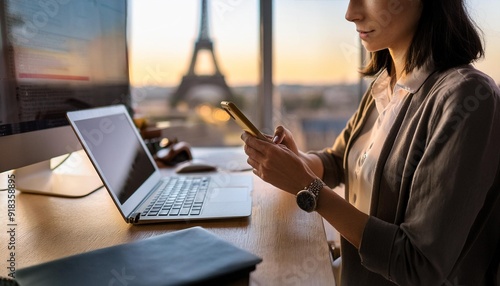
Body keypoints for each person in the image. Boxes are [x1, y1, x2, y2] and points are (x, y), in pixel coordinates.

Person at [242, 0, 500, 285]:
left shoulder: (468, 98)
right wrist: (297, 162)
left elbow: (418, 265)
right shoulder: (386, 84)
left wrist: (309, 188)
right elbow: (340, 160)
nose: (351, 14)